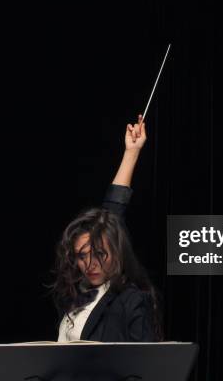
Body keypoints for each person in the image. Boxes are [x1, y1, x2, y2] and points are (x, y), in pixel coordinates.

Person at [51, 114, 163, 342]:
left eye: (100, 254)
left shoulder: (129, 300)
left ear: (116, 249)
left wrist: (131, 153)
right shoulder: (75, 296)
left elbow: (112, 214)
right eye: (82, 256)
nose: (91, 264)